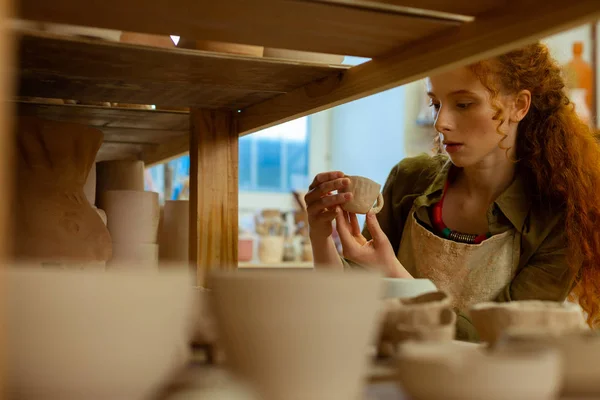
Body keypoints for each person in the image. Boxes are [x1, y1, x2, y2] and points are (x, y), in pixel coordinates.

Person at [304, 43, 600, 341]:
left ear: (519, 106)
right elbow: (348, 305)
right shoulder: (410, 182)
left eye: (464, 104)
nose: (441, 123)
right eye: (436, 104)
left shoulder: (559, 217)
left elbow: (496, 339)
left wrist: (393, 272)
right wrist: (319, 234)